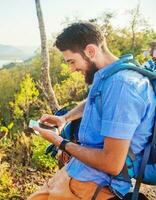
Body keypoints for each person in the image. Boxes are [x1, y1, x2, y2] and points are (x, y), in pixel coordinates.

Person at [28, 22, 156, 200]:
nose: (71, 69)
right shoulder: (109, 76)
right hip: (77, 171)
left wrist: (60, 142)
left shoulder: (122, 86)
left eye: (72, 62)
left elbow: (112, 163)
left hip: (94, 185)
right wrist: (65, 118)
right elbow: (94, 99)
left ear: (90, 51)